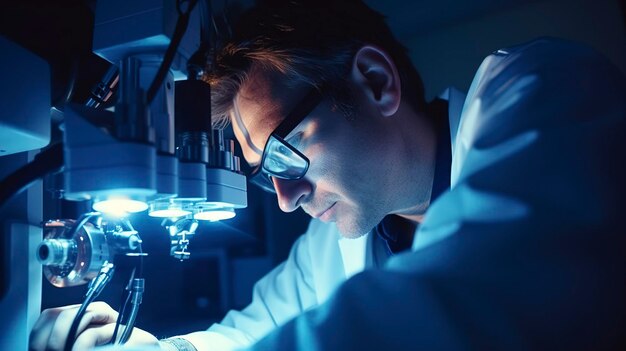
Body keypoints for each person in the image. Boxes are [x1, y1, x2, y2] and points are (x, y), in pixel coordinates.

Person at [30, 0, 626, 350]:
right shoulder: (335, 245)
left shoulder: (541, 86)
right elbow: (250, 335)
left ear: (375, 82)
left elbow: (473, 289)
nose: (285, 201)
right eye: (267, 174)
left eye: (285, 154)